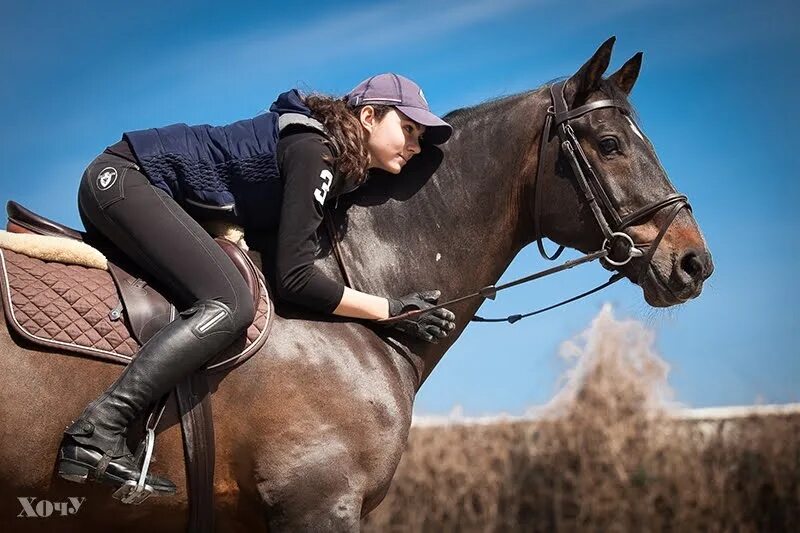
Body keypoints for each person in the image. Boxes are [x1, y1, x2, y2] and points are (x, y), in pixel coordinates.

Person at [56, 73, 458, 495]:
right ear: (370, 116)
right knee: (230, 301)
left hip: (127, 183)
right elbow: (295, 278)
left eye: (419, 137)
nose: (415, 146)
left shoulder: (328, 158)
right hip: (123, 180)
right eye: (408, 130)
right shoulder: (315, 151)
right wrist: (390, 310)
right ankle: (97, 430)